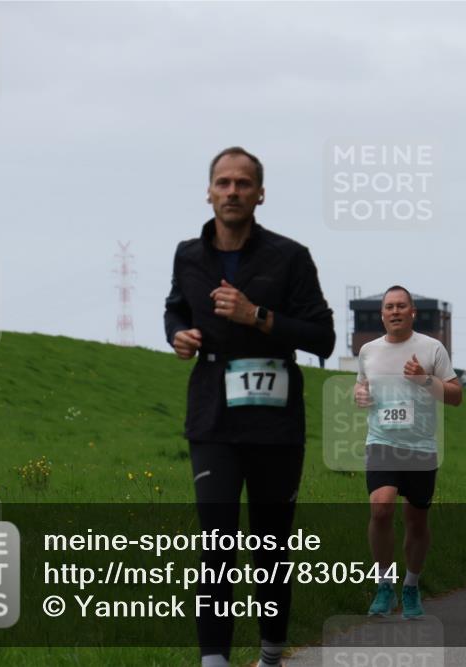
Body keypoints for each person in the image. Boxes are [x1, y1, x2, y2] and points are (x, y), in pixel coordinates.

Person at [163, 147, 336, 667]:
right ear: (209, 191)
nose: (232, 192)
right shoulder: (188, 255)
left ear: (260, 194)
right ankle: (213, 659)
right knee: (216, 539)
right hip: (212, 412)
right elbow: (174, 306)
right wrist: (178, 334)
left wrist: (256, 315)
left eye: (243, 183)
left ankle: (270, 653)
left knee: (270, 545)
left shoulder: (290, 256)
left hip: (274, 416)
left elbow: (323, 337)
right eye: (223, 182)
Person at [355, 285, 462, 619]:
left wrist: (424, 380)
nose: (395, 311)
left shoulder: (432, 349)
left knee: (416, 522)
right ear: (382, 314)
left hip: (421, 447)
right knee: (381, 508)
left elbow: (456, 396)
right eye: (389, 307)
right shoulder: (369, 351)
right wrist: (360, 395)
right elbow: (362, 385)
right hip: (382, 442)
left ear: (412, 312)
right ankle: (384, 585)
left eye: (402, 306)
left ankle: (411, 586)